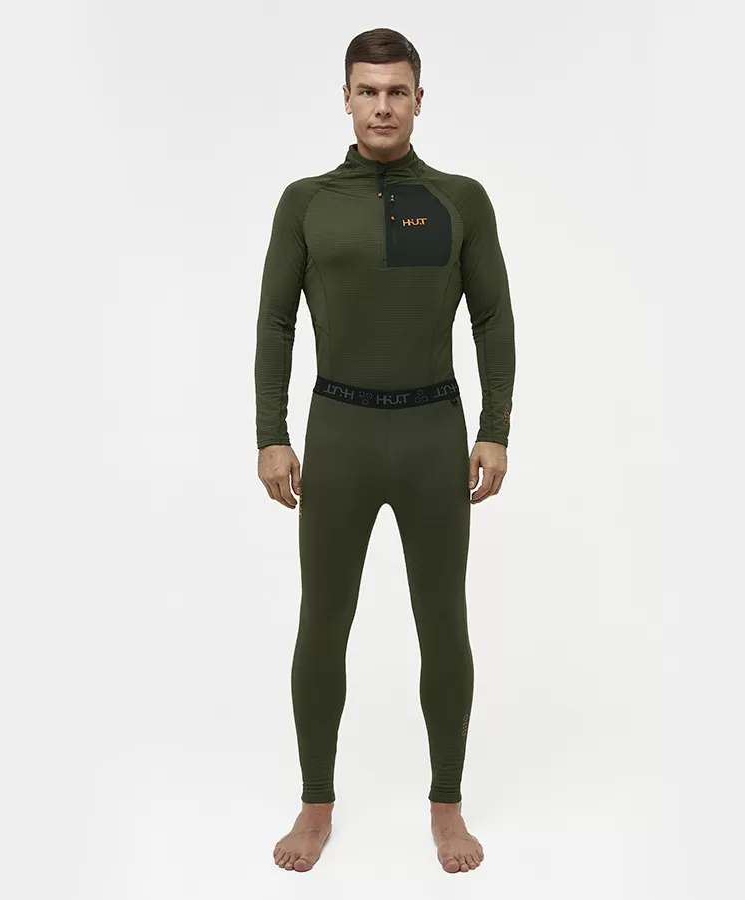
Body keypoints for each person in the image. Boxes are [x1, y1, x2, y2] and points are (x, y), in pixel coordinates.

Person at [255, 27, 515, 874]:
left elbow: (492, 318)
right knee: (322, 621)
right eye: (366, 91)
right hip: (339, 432)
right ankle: (315, 801)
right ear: (344, 98)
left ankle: (447, 805)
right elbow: (275, 322)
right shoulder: (306, 201)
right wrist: (271, 435)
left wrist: (494, 427)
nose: (381, 106)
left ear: (418, 100)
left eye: (396, 91)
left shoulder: (458, 198)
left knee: (443, 621)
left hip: (432, 433)